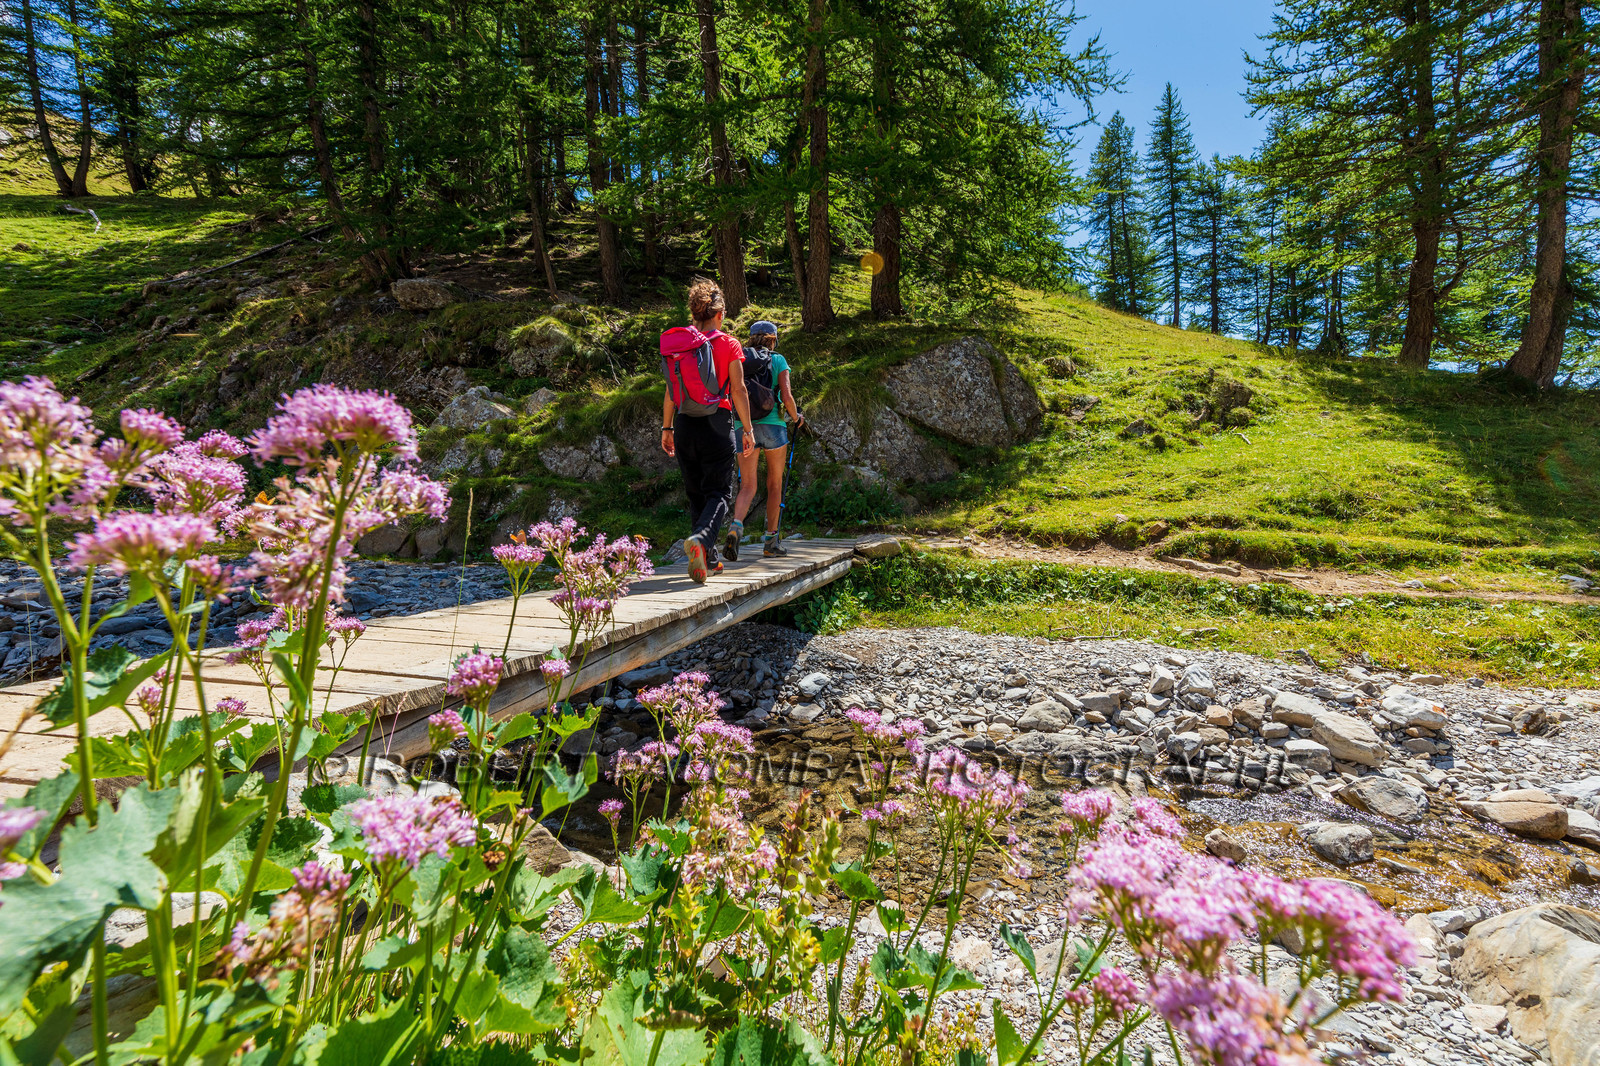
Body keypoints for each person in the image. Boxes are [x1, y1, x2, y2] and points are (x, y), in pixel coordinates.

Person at [658, 278, 755, 584]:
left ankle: (708, 562)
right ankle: (701, 541)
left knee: (696, 493)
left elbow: (671, 390)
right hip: (717, 423)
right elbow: (738, 390)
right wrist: (748, 429)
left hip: (684, 422)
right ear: (720, 314)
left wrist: (667, 427)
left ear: (694, 313)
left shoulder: (680, 345)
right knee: (719, 493)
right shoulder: (728, 343)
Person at [726, 320, 803, 560]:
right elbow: (787, 396)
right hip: (773, 426)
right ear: (773, 339)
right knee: (775, 484)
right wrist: (797, 417)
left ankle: (735, 527)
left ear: (751, 338)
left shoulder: (739, 359)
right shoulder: (778, 360)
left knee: (748, 485)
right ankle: (771, 542)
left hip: (743, 427)